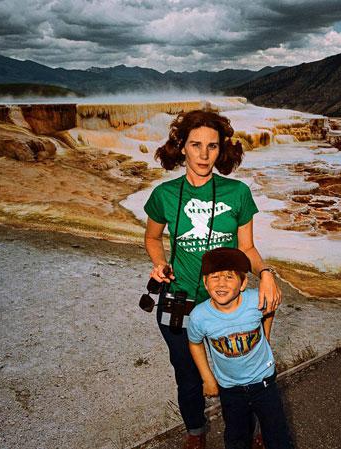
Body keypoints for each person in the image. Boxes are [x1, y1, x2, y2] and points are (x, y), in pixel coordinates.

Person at [142, 110, 282, 449]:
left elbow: (247, 247)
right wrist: (160, 263)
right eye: (196, 145)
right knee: (188, 375)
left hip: (229, 302)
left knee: (245, 369)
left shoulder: (237, 193)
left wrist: (265, 274)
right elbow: (151, 238)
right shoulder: (164, 195)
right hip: (180, 300)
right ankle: (195, 430)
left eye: (213, 147)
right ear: (182, 148)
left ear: (222, 151)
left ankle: (260, 429)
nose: (204, 155)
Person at [187, 247, 294, 449]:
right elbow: (195, 342)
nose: (221, 283)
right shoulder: (199, 316)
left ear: (243, 283)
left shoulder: (256, 300)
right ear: (204, 282)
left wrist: (266, 337)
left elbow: (270, 309)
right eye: (214, 277)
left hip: (264, 383)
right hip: (230, 388)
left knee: (277, 436)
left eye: (229, 277)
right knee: (237, 438)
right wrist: (208, 378)